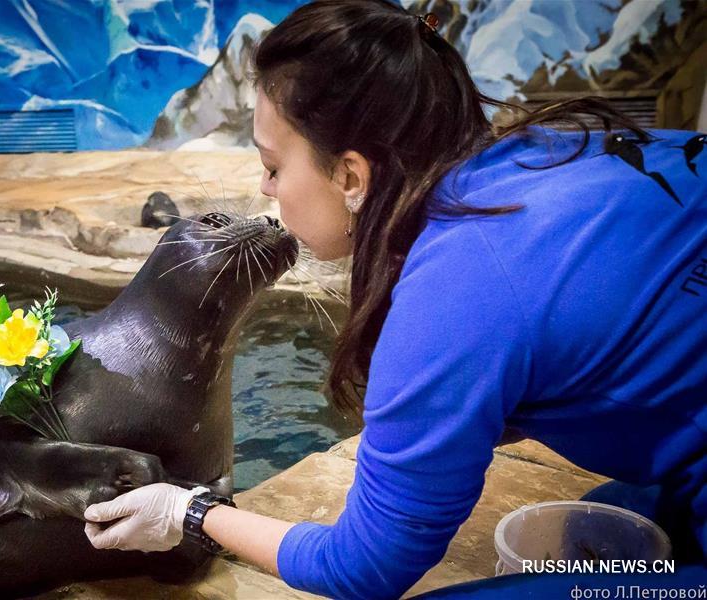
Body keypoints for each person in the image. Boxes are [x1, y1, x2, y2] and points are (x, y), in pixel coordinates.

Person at [83, 0, 706, 597]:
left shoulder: (451, 296)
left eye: (273, 166)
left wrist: (190, 513)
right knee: (598, 526)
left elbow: (362, 570)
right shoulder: (546, 152)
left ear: (351, 176)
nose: (266, 189)